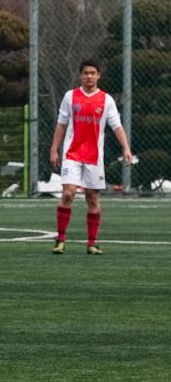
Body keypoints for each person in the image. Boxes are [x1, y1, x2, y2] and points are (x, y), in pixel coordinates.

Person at [48, 59, 134, 255]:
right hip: (72, 154)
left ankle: (92, 243)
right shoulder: (70, 97)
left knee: (92, 198)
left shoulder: (106, 100)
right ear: (80, 75)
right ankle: (60, 239)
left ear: (98, 76)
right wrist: (54, 149)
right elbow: (61, 124)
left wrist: (126, 148)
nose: (89, 76)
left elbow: (117, 126)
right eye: (86, 73)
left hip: (94, 157)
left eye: (93, 73)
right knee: (68, 193)